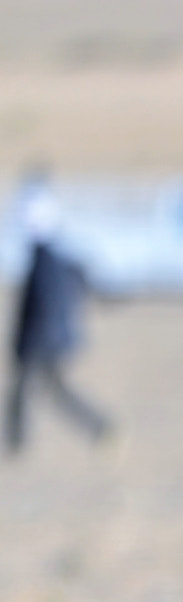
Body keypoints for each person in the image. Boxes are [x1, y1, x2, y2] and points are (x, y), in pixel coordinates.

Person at [7, 180, 110, 454]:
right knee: (50, 392)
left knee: (27, 392)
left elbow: (40, 309)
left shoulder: (44, 261)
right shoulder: (55, 257)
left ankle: (14, 445)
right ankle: (100, 426)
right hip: (53, 341)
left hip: (42, 343)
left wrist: (25, 345)